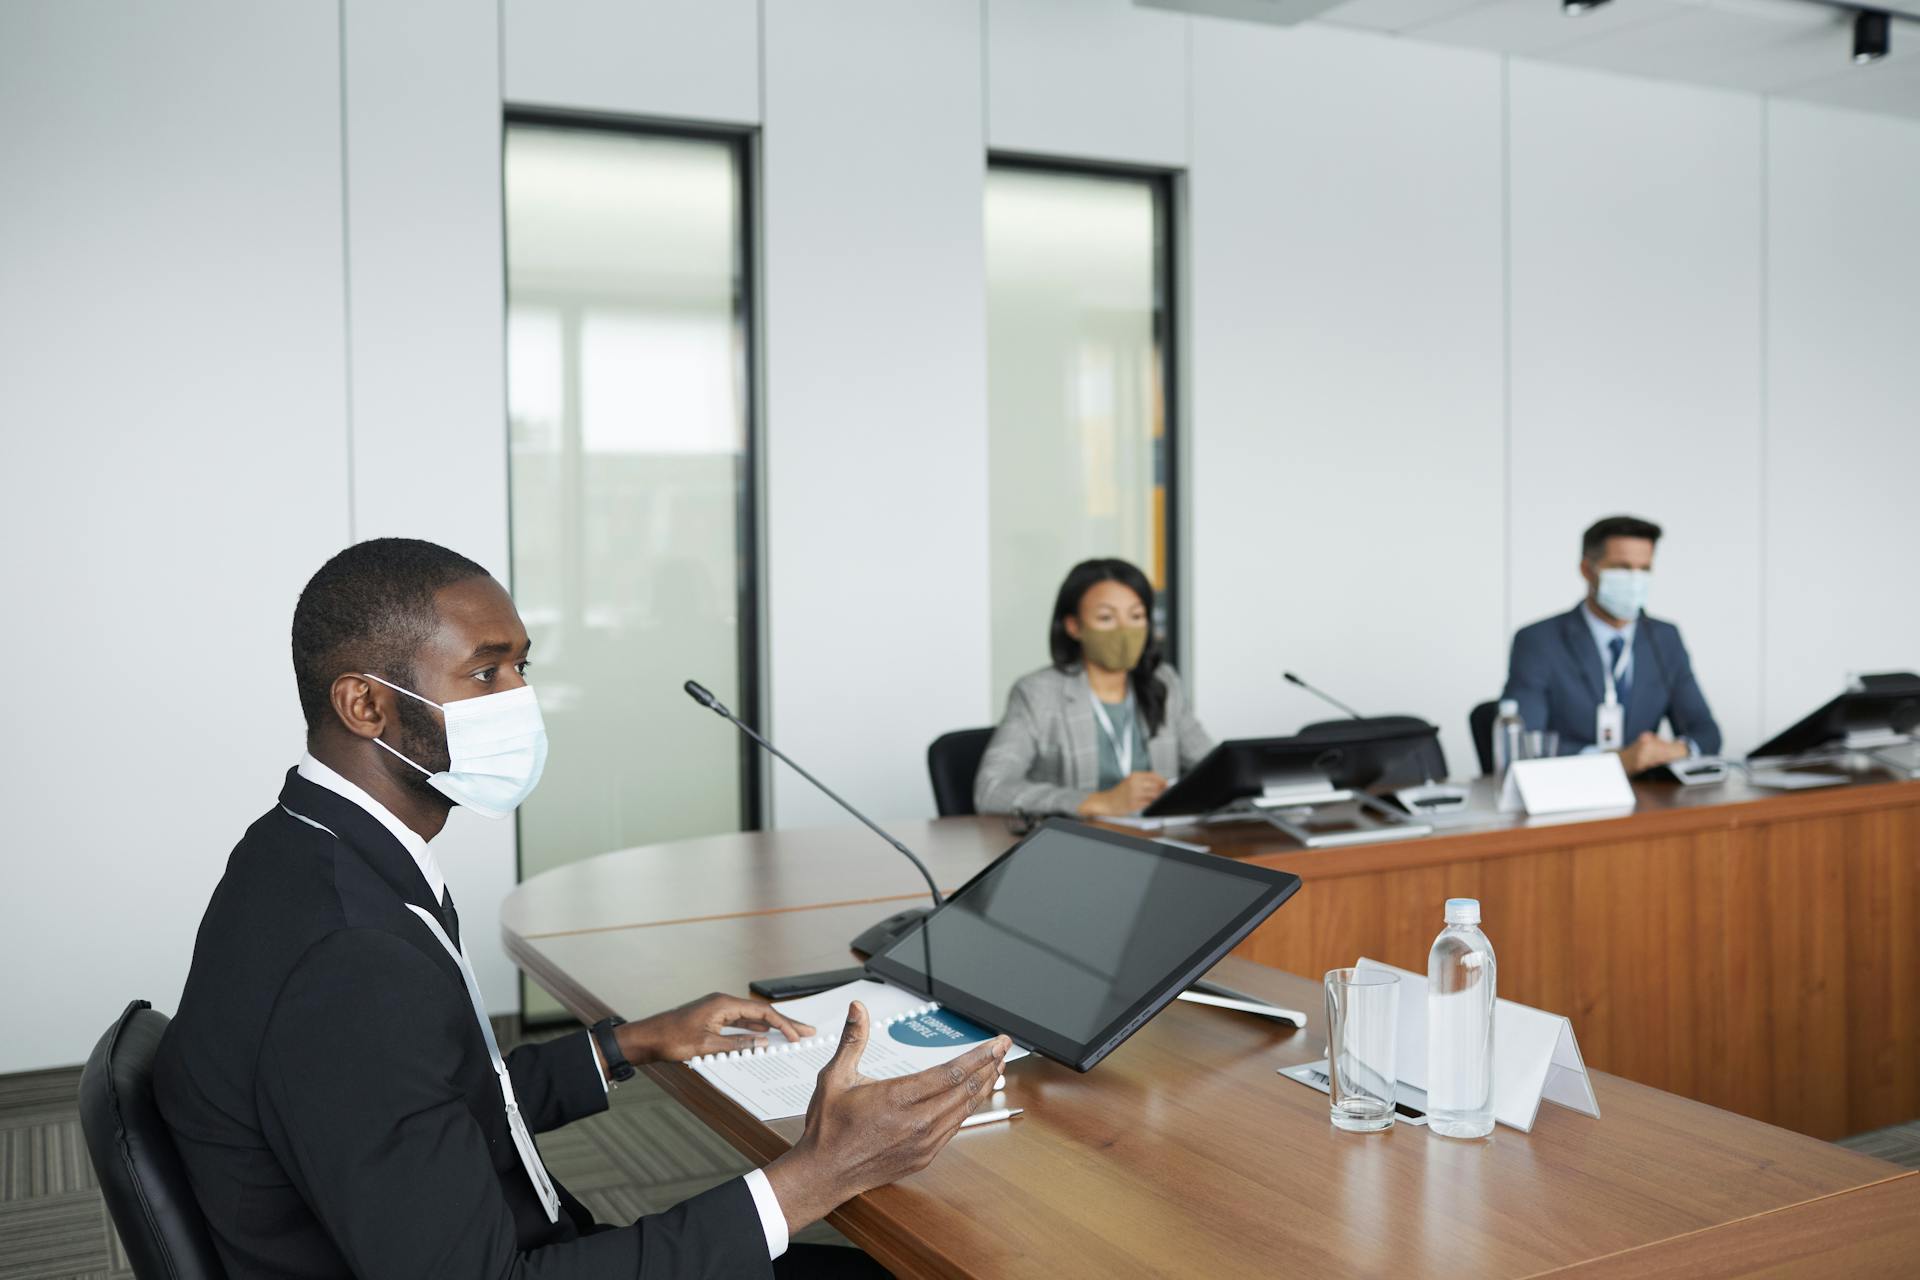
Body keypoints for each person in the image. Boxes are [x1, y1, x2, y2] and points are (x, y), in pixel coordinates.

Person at [153, 538, 1008, 1279]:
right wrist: (817, 1177)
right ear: (366, 704)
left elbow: (415, 1102)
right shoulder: (351, 955)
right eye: (487, 671)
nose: (520, 697)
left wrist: (626, 1044)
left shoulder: (306, 849)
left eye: (524, 665)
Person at [975, 558, 1213, 817]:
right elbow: (991, 790)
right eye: (1106, 618)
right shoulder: (1037, 693)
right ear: (1074, 626)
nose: (1124, 631)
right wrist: (1096, 802)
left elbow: (1212, 769)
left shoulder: (1163, 682)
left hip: (1158, 842)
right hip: (1077, 847)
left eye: (1136, 616)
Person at [1502, 515, 1721, 774]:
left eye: (1644, 569)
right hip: (1569, 793)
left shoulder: (1664, 637)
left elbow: (1708, 733)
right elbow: (1525, 743)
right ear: (1587, 570)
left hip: (1647, 798)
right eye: (1622, 568)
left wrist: (1675, 749)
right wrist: (1613, 761)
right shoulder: (1539, 641)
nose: (1635, 579)